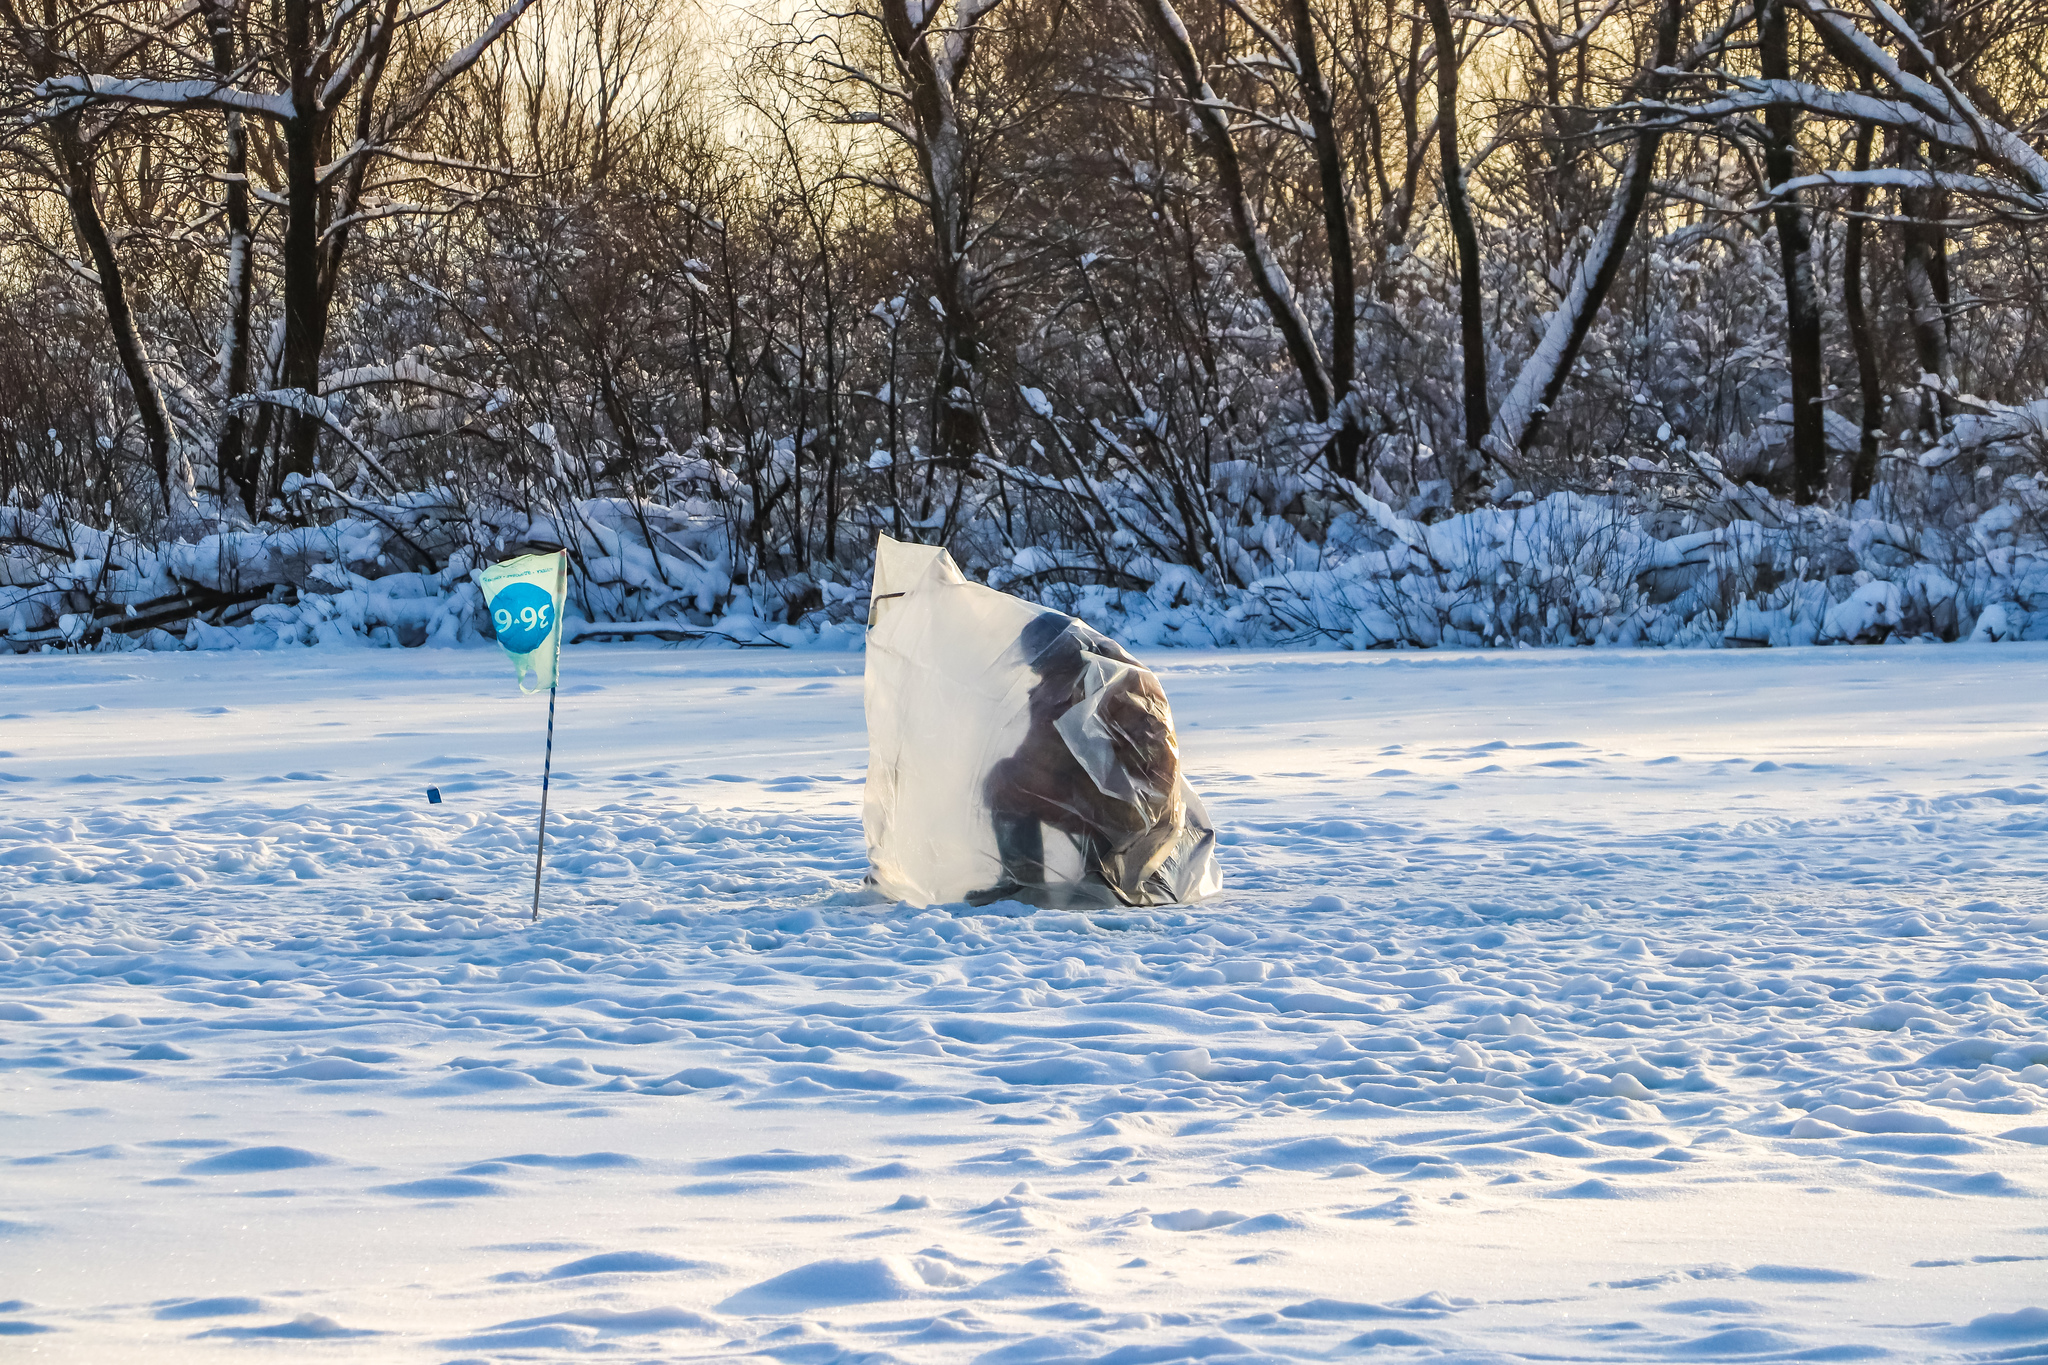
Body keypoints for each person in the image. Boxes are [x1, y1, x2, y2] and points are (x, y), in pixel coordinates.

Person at [973, 612, 1185, 907]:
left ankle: (1023, 883)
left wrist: (1003, 783)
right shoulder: (1122, 671)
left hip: (1118, 808)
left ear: (1048, 654)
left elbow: (1041, 760)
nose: (1034, 669)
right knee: (1072, 780)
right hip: (1157, 808)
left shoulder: (1064, 688)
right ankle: (1101, 870)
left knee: (1007, 778)